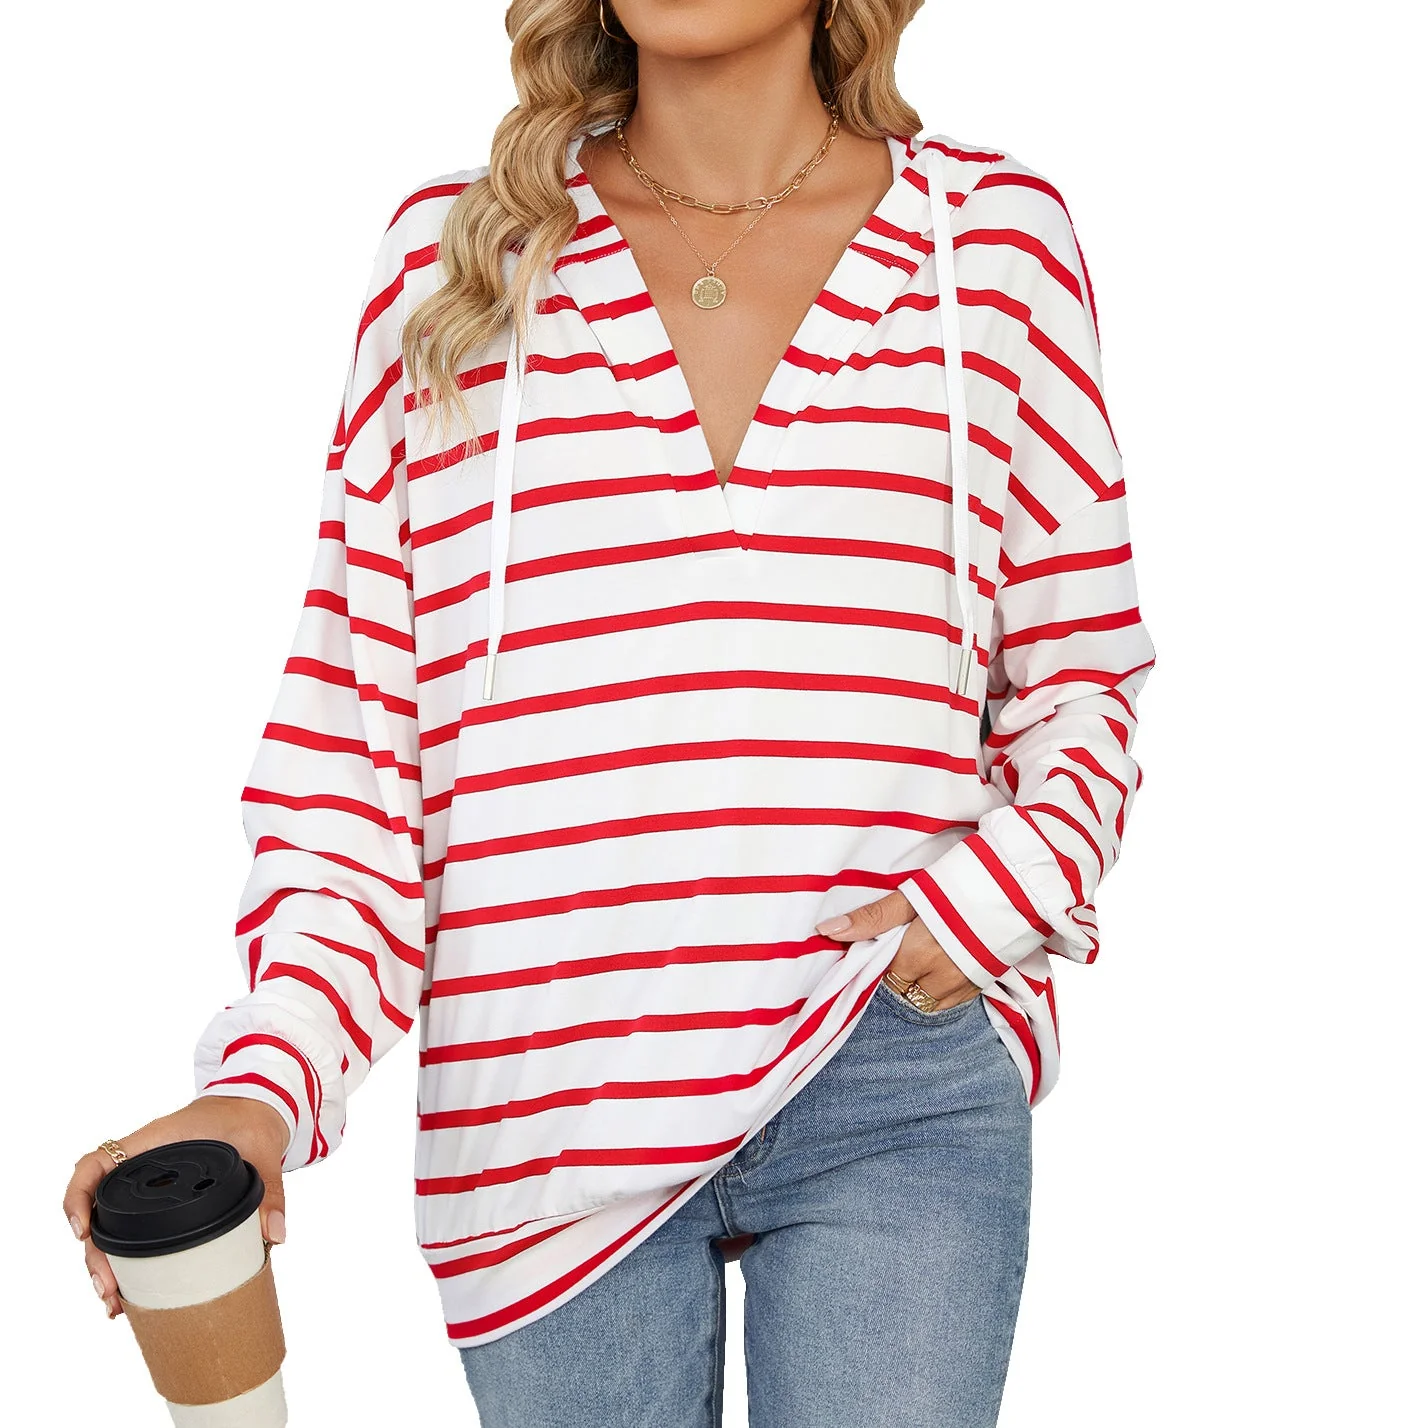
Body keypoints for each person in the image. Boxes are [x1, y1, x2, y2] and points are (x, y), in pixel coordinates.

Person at [65, 1, 1157, 1422]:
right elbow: (360, 769)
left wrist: (983, 910)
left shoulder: (989, 248)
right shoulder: (453, 263)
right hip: (541, 1113)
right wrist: (262, 1085)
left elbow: (1081, 681)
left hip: (886, 1061)